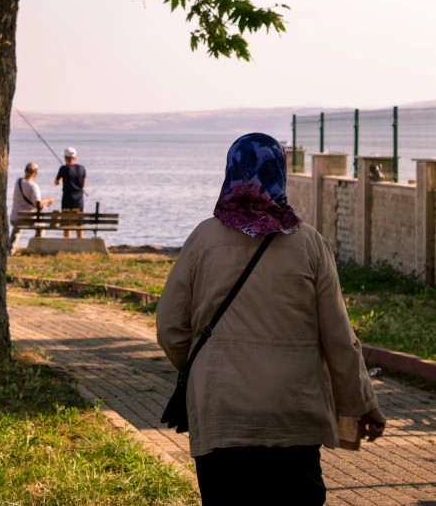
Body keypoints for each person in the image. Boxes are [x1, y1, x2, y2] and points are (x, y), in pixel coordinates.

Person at [156, 133, 386, 506]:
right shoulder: (311, 244)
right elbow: (339, 338)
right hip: (293, 413)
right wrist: (362, 404)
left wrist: (199, 364)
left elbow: (169, 327)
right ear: (280, 172)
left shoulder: (202, 240)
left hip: (221, 411)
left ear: (232, 170)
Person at [8, 162, 54, 253]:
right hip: (28, 218)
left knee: (17, 228)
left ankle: (10, 250)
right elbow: (37, 204)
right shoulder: (33, 186)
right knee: (41, 226)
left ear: (25, 171)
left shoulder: (18, 182)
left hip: (14, 217)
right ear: (35, 174)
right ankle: (37, 248)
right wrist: (48, 200)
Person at [55, 147, 87, 238]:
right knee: (79, 224)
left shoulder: (63, 168)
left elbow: (57, 182)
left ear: (65, 157)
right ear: (75, 157)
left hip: (67, 199)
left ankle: (66, 242)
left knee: (66, 224)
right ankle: (80, 242)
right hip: (79, 200)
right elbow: (84, 183)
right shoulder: (82, 168)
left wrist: (61, 179)